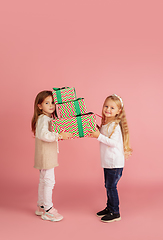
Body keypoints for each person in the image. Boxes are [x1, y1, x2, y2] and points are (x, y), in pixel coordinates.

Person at [89, 94, 132, 222]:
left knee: (111, 187)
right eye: (106, 106)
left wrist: (98, 135)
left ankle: (115, 212)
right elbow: (103, 136)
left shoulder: (115, 126)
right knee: (108, 186)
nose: (108, 109)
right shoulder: (107, 124)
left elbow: (113, 142)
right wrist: (96, 130)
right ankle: (109, 207)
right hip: (108, 162)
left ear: (119, 111)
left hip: (114, 163)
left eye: (112, 108)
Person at [31, 90, 72, 222]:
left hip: (44, 154)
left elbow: (46, 134)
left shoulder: (45, 119)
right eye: (47, 103)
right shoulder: (44, 119)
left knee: (43, 180)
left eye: (53, 103)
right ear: (39, 106)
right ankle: (48, 210)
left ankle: (41, 205)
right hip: (46, 156)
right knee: (49, 181)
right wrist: (59, 136)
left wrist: (60, 134)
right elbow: (44, 135)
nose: (51, 105)